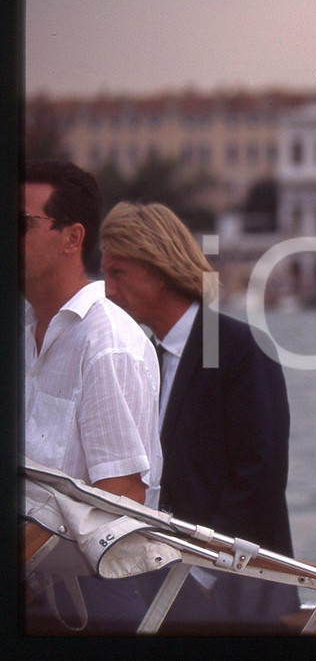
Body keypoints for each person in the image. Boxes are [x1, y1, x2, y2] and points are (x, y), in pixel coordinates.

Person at [99, 201, 299, 633]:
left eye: (118, 273)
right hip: (156, 582)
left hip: (225, 593)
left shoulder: (241, 348)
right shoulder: (144, 356)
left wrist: (200, 572)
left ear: (158, 269)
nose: (107, 289)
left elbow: (259, 477)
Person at [20, 159, 162, 633]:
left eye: (23, 224)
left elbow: (121, 504)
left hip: (90, 601)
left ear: (72, 238)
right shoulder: (23, 331)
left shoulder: (108, 344)